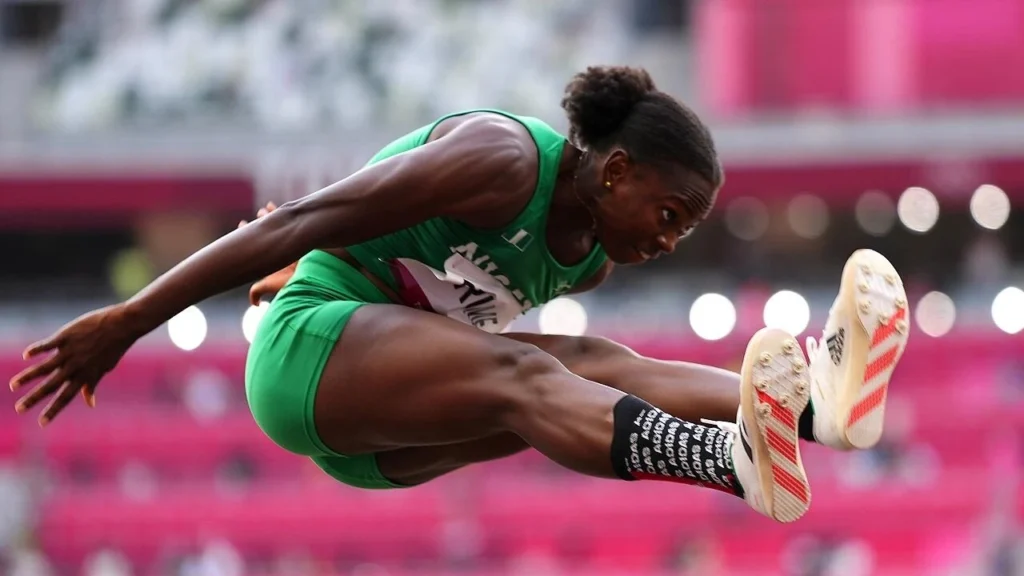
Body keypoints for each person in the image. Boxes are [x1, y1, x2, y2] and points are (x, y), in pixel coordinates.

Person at [9, 66, 909, 523]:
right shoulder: (501, 160)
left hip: (387, 431)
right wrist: (128, 323)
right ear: (618, 167)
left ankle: (816, 412)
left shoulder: (587, 258)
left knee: (599, 361)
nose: (667, 241)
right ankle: (729, 460)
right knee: (527, 373)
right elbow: (295, 222)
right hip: (307, 355)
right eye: (668, 214)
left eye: (685, 231)